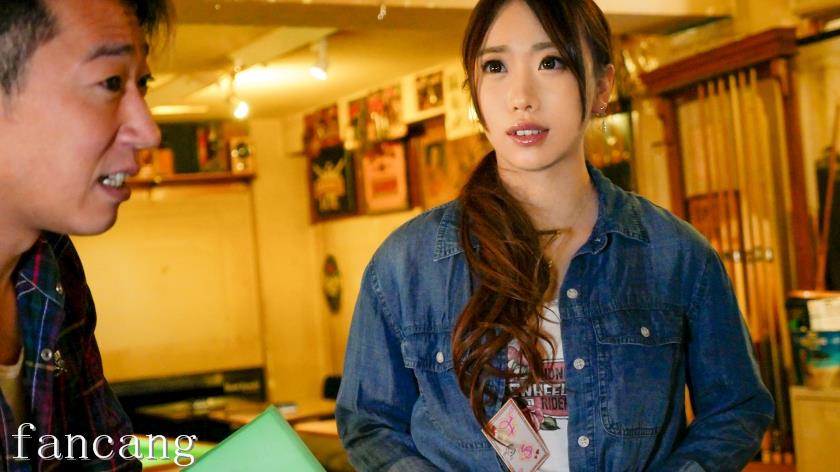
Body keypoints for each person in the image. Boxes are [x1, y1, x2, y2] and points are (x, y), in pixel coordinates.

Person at [336, 0, 775, 470]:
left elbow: (736, 409)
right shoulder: (406, 265)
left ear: (602, 85)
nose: (521, 96)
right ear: (475, 93)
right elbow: (370, 422)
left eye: (551, 62)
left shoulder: (676, 255)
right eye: (495, 66)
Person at [0, 0, 170, 469]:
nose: (149, 131)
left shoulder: (52, 263)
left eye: (142, 84)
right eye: (111, 82)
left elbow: (105, 456)